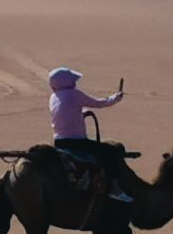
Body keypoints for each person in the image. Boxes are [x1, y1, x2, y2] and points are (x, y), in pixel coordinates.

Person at [48, 66, 131, 202]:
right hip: (76, 141)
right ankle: (114, 189)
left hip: (59, 141)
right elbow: (100, 103)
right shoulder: (74, 94)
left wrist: (81, 112)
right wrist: (116, 98)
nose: (75, 83)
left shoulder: (53, 97)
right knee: (110, 151)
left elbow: (66, 111)